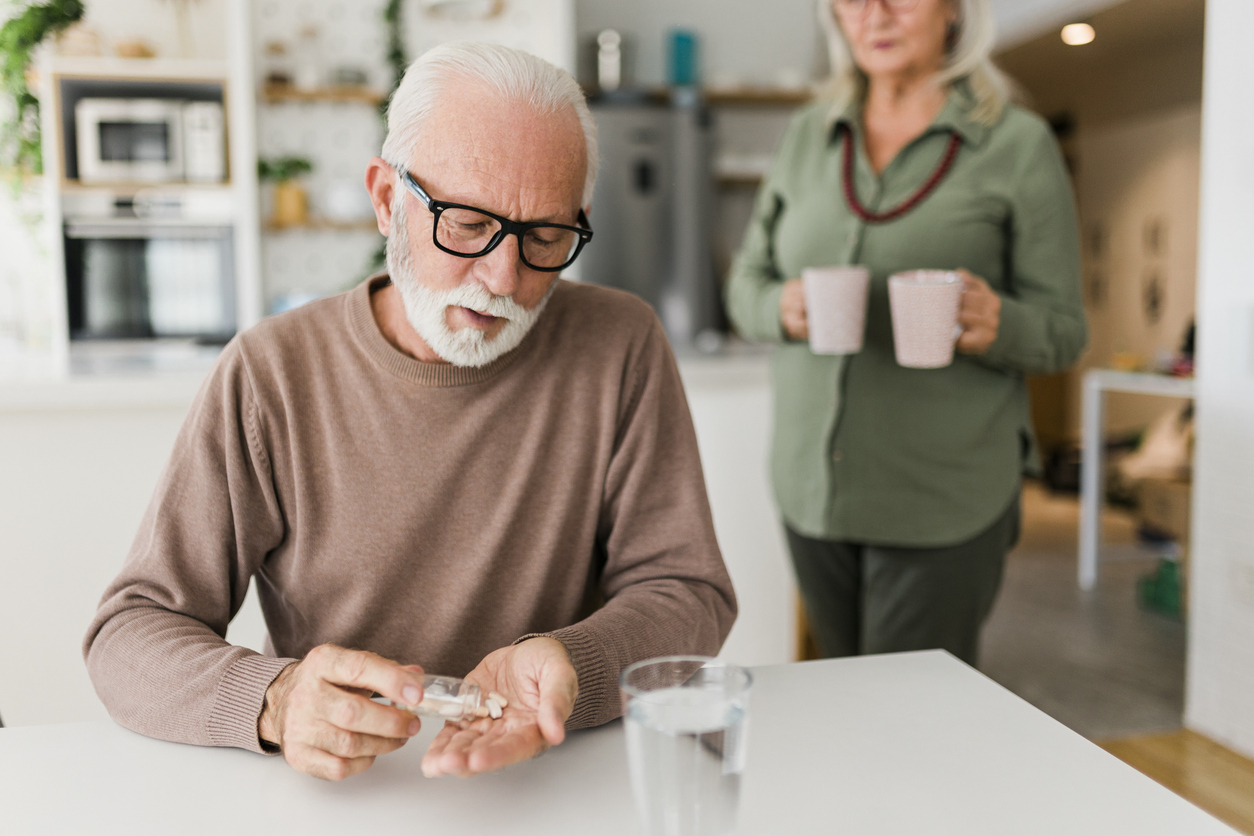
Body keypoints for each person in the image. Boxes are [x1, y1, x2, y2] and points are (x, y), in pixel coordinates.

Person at [84, 42, 736, 782]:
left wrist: (574, 665)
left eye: (546, 237)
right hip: (346, 790)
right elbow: (127, 637)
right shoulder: (272, 371)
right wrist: (276, 699)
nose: (503, 277)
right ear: (388, 199)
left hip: (557, 780)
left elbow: (688, 590)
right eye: (465, 224)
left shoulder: (622, 342)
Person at [725, 0, 1085, 665]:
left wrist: (999, 322)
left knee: (914, 722)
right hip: (812, 488)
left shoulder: (1016, 142)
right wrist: (781, 306)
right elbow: (745, 286)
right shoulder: (808, 134)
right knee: (842, 691)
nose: (875, 13)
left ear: (955, 10)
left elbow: (1064, 332)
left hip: (943, 495)